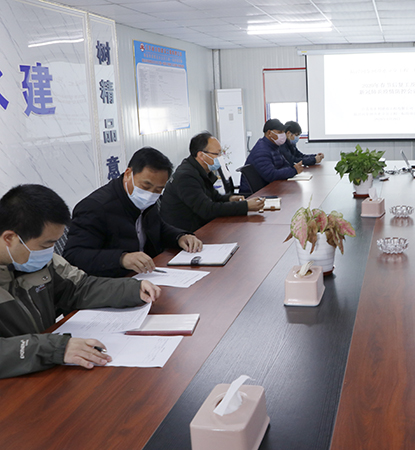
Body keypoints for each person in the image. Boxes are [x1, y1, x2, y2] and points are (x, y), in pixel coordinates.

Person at [0, 185, 162, 378]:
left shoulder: (40, 261)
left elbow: (80, 288)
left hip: (43, 371)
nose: (51, 251)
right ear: (9, 238)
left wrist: (132, 289)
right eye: (46, 245)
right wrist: (56, 348)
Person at [64, 147, 202, 278]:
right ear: (128, 174)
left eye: (158, 189)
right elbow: (74, 255)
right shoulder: (95, 207)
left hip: (148, 275)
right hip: (112, 282)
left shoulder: (148, 200)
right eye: (145, 186)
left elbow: (158, 227)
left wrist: (180, 236)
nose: (150, 194)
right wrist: (122, 258)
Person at [160, 132, 264, 232]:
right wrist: (245, 206)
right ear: (201, 155)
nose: (220, 157)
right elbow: (207, 210)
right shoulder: (186, 177)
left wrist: (230, 198)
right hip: (185, 234)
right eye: (217, 154)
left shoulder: (201, 170)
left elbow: (214, 197)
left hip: (200, 226)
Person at [239, 119, 302, 193]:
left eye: (283, 132)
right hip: (254, 194)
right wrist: (294, 170)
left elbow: (286, 165)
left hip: (268, 188)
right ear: (269, 133)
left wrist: (292, 169)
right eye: (280, 132)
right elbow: (271, 175)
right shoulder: (261, 150)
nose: (283, 135)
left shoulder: (274, 147)